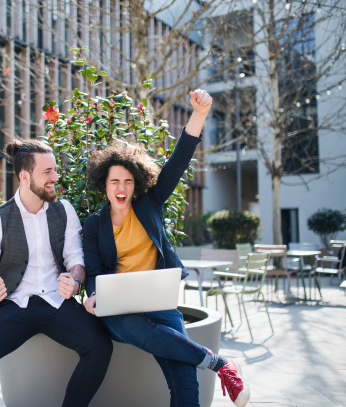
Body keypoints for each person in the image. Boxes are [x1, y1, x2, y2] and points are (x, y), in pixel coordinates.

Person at [82, 89, 250, 407]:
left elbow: (179, 160)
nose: (121, 188)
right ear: (104, 183)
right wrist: (93, 294)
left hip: (159, 302)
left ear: (137, 185)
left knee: (186, 384)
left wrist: (199, 113)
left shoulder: (151, 203)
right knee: (135, 326)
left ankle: (215, 365)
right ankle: (219, 363)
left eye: (128, 182)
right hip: (119, 310)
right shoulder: (94, 225)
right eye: (114, 181)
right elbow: (93, 271)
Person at [0, 138, 113, 407]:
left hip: (57, 302)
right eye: (47, 172)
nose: (55, 177)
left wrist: (75, 281)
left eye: (55, 169)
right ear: (24, 176)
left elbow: (75, 258)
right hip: (15, 305)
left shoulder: (63, 210)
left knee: (100, 347)